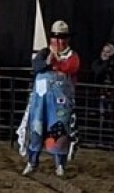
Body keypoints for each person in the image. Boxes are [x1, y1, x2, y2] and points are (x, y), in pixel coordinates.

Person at [18, 19, 80, 178]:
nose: (58, 41)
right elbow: (37, 66)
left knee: (58, 131)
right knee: (36, 129)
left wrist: (54, 64)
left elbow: (71, 67)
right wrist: (49, 62)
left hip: (60, 104)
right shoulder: (44, 53)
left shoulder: (72, 56)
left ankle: (60, 165)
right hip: (40, 101)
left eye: (62, 37)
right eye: (55, 37)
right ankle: (32, 161)